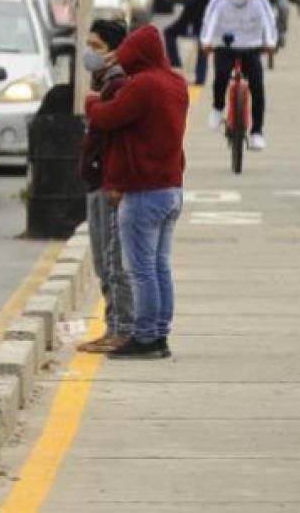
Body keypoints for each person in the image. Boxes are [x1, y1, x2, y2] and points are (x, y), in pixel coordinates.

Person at [85, 25, 188, 360]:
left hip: (143, 191)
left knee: (140, 270)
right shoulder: (175, 83)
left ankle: (144, 338)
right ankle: (160, 335)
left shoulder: (144, 85)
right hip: (171, 188)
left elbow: (108, 116)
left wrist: (89, 103)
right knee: (160, 267)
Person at [77, 20, 134, 354]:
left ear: (113, 50)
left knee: (113, 261)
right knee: (103, 260)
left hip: (110, 185)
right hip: (98, 182)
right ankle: (114, 325)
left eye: (96, 46)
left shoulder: (116, 83)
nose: (89, 53)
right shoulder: (103, 80)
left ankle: (120, 329)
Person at [200, 0, 277, 150]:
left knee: (257, 85)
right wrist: (206, 42)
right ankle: (218, 108)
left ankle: (257, 132)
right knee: (221, 75)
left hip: (251, 47)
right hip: (224, 47)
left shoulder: (259, 2)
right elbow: (209, 22)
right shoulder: (219, 2)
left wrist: (270, 43)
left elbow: (269, 23)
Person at [165, 0, 220, 85]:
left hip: (191, 18)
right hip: (208, 20)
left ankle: (176, 64)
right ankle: (200, 77)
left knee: (169, 33)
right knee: (203, 47)